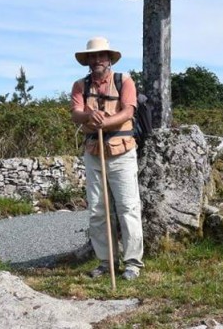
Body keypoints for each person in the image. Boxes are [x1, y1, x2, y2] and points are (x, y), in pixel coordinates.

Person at [70, 36, 144, 281]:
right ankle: (106, 262)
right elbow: (76, 113)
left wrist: (105, 121)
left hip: (122, 152)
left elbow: (128, 111)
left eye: (101, 55)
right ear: (87, 61)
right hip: (94, 153)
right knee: (97, 210)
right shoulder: (80, 86)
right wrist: (91, 118)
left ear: (109, 59)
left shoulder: (125, 82)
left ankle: (132, 263)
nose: (96, 60)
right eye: (92, 56)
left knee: (128, 207)